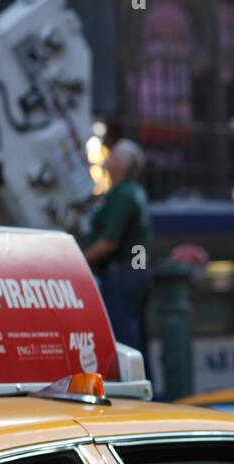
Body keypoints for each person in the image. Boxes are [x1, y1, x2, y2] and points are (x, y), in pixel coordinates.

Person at [84, 139, 153, 377]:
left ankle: (131, 392)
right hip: (134, 274)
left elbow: (109, 242)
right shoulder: (132, 193)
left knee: (124, 337)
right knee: (136, 337)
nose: (107, 158)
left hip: (122, 275)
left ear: (123, 165)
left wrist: (78, 261)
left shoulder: (124, 195)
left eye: (112, 155)